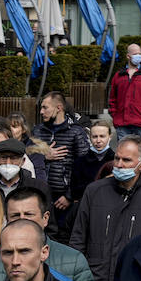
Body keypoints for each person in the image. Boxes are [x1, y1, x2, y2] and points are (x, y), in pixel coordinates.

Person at [70, 135, 141, 281]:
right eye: (116, 158)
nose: (118, 165)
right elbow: (78, 237)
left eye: (126, 160)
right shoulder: (95, 191)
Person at [32, 91, 89, 239]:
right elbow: (27, 159)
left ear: (58, 108)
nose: (41, 111)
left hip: (65, 200)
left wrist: (70, 196)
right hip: (41, 196)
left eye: (45, 107)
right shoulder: (37, 131)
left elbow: (84, 166)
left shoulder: (76, 132)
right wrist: (44, 155)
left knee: (64, 237)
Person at [107, 43, 141, 139]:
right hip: (122, 124)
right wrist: (115, 115)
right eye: (135, 54)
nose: (138, 56)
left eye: (140, 54)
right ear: (128, 56)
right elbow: (112, 98)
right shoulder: (118, 75)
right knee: (124, 153)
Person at [69, 120, 114, 211]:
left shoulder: (116, 161)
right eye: (94, 137)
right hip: (85, 207)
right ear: (89, 138)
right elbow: (75, 190)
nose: (98, 141)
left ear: (110, 137)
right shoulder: (79, 162)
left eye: (102, 136)